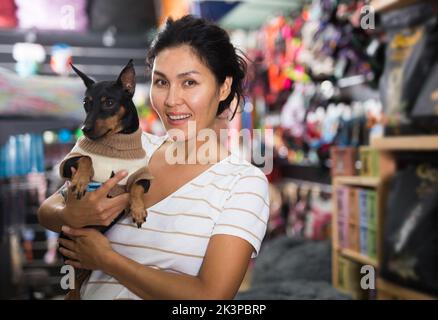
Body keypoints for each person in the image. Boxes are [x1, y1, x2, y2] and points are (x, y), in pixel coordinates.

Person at [37, 15, 270, 300]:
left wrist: (107, 260)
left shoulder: (243, 183)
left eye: (189, 83)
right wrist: (70, 214)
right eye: (161, 82)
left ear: (223, 87)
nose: (171, 100)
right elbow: (49, 210)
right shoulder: (127, 145)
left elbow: (211, 297)